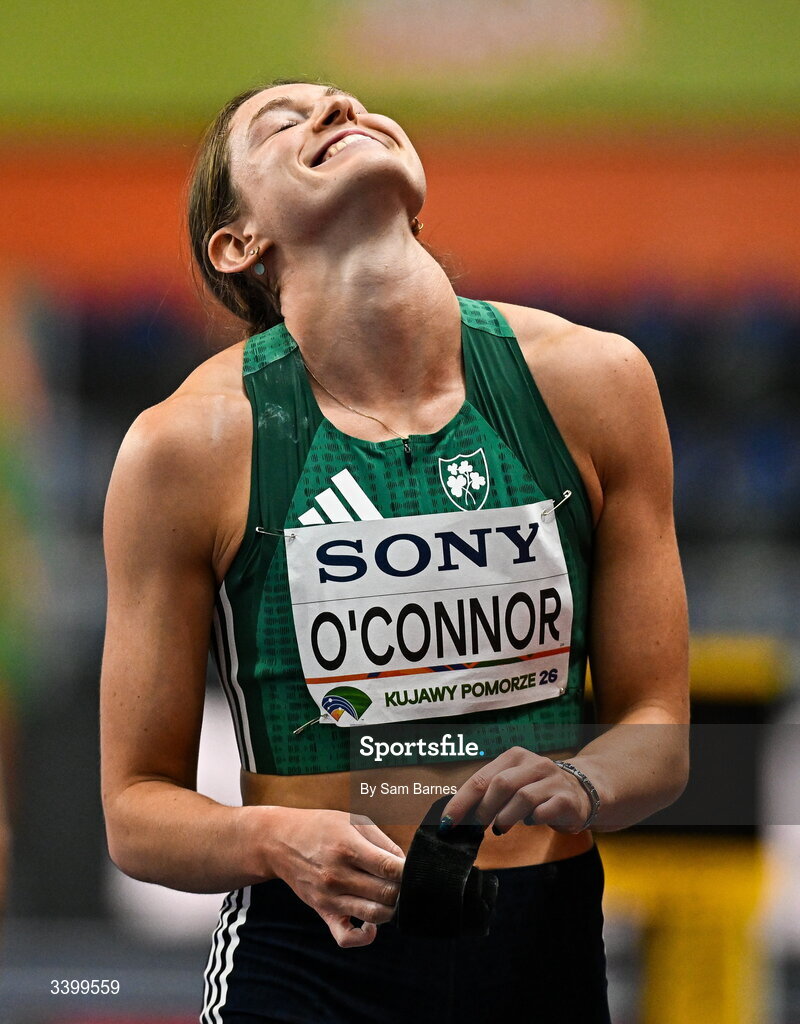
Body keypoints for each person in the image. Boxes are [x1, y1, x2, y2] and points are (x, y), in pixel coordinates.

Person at [100, 78, 690, 1023]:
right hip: (310, 963)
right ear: (238, 243)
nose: (340, 109)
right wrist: (277, 840)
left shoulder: (595, 383)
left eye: (352, 105)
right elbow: (135, 809)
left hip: (542, 950)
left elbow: (657, 731)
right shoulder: (187, 447)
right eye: (285, 122)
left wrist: (582, 777)